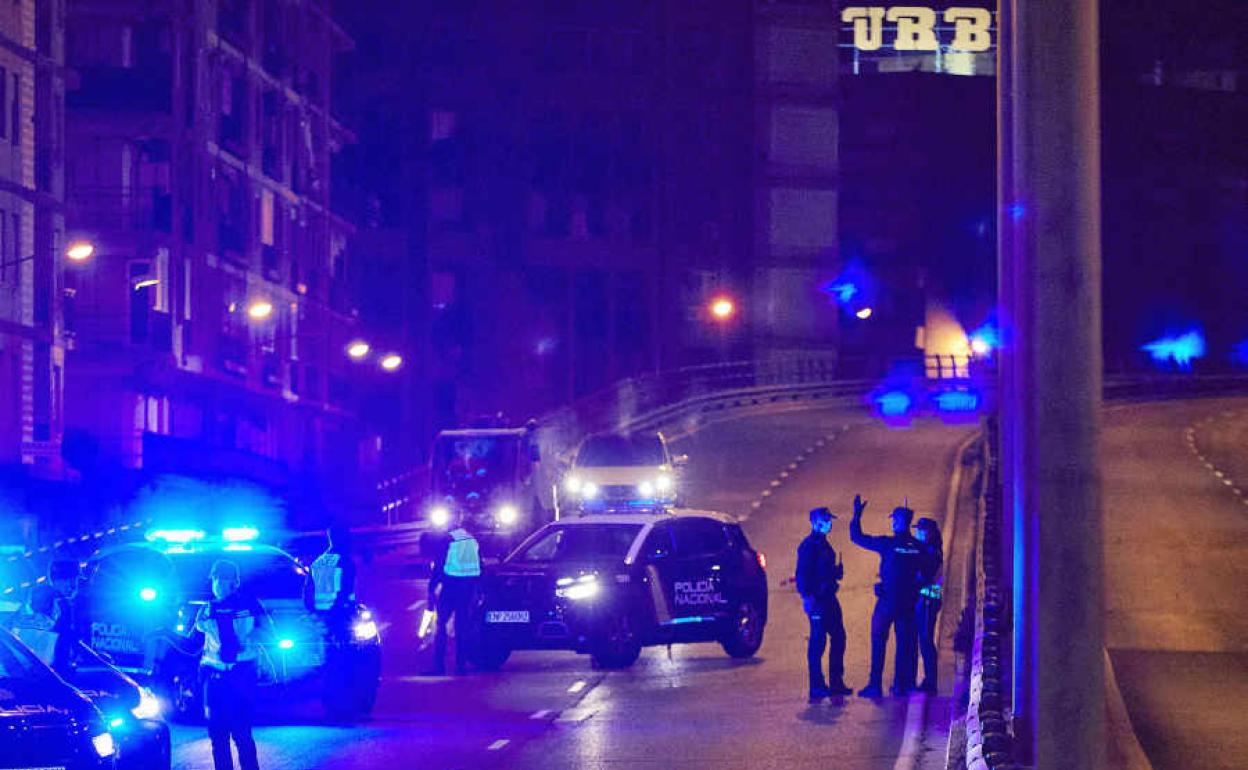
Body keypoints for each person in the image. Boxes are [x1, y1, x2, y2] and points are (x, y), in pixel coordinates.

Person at [195, 560, 270, 770]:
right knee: (218, 737)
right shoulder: (207, 609)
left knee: (242, 734)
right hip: (214, 678)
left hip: (240, 676)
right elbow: (193, 642)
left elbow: (267, 634)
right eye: (215, 579)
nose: (217, 584)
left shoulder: (250, 605)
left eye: (221, 579)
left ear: (235, 582)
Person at [850, 495, 924, 697]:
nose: (892, 522)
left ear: (899, 522)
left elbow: (857, 537)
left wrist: (856, 515)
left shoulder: (887, 544)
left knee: (878, 641)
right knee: (903, 644)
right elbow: (927, 574)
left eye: (894, 519)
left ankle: (875, 685)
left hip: (887, 602)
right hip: (908, 603)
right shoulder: (919, 548)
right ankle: (900, 685)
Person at [796, 506, 852, 702]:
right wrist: (807, 598)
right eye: (825, 520)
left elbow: (823, 571)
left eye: (829, 520)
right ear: (814, 522)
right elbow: (802, 575)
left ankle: (836, 682)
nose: (829, 524)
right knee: (818, 642)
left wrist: (836, 572)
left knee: (839, 637)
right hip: (818, 601)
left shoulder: (824, 544)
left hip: (829, 598)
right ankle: (816, 686)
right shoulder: (809, 545)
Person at [426, 512, 481, 675]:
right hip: (468, 587)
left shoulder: (447, 540)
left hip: (451, 586)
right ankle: (460, 666)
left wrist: (432, 589)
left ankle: (439, 666)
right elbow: (479, 565)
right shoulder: (472, 539)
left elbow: (439, 567)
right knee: (462, 626)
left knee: (441, 624)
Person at [309, 524, 359, 640]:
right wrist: (339, 608)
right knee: (346, 648)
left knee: (325, 648)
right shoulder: (344, 561)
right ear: (344, 538)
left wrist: (313, 611)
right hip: (340, 613)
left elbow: (309, 589)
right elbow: (346, 588)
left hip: (320, 615)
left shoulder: (319, 561)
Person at [913, 517, 944, 693]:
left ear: (928, 533)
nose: (917, 533)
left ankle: (931, 682)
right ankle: (929, 680)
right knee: (924, 640)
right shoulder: (928, 549)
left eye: (920, 530)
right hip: (927, 599)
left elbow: (926, 577)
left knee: (925, 640)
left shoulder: (931, 552)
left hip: (927, 600)